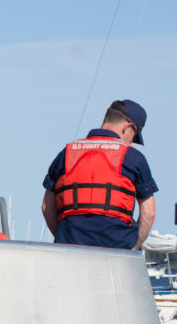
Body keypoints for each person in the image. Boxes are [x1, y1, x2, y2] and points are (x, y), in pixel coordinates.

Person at [41, 99, 157, 250]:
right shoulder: (134, 157)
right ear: (127, 128)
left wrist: (63, 241)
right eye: (134, 137)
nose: (131, 142)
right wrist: (133, 248)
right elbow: (149, 213)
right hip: (117, 248)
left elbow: (46, 206)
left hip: (70, 247)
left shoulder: (67, 153)